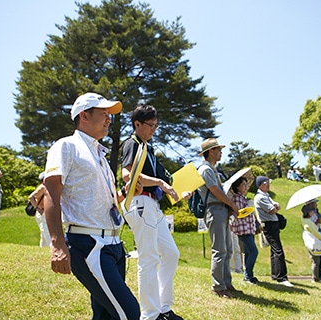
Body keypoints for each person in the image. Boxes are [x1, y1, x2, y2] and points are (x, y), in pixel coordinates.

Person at [41, 93, 139, 319]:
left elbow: (104, 199)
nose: (109, 119)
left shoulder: (100, 154)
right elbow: (51, 193)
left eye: (109, 115)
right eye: (103, 113)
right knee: (130, 313)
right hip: (89, 245)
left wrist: (126, 191)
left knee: (105, 315)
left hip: (114, 244)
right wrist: (57, 245)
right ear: (84, 115)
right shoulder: (66, 146)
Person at [116, 105, 183, 320]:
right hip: (140, 202)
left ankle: (163, 308)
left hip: (153, 205)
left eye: (156, 125)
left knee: (171, 253)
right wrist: (161, 183)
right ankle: (150, 315)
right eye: (150, 125)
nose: (154, 129)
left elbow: (169, 180)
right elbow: (128, 174)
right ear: (137, 124)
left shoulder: (149, 149)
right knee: (148, 258)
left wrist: (180, 191)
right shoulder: (131, 143)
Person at [196, 138, 241, 298]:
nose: (221, 152)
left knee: (227, 249)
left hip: (220, 210)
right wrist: (232, 205)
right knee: (219, 250)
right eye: (218, 149)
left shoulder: (213, 169)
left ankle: (226, 283)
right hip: (214, 209)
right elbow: (215, 190)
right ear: (211, 152)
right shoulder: (205, 169)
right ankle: (218, 286)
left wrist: (228, 207)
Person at [253, 176, 290, 286]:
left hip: (272, 224)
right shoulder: (260, 197)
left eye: (269, 182)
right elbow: (273, 210)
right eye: (266, 183)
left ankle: (276, 275)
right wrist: (275, 207)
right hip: (269, 225)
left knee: (274, 251)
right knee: (278, 250)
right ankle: (281, 278)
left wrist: (276, 206)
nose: (268, 184)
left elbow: (277, 205)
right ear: (260, 185)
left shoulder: (266, 195)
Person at [228, 174, 260, 285]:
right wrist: (249, 207)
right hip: (243, 229)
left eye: (246, 185)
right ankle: (248, 275)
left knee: (247, 252)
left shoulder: (242, 197)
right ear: (237, 186)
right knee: (253, 251)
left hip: (248, 228)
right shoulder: (237, 198)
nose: (246, 187)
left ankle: (249, 275)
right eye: (243, 185)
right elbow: (239, 213)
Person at [301, 200, 321, 283]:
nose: (316, 204)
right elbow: (313, 229)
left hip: (319, 237)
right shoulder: (306, 219)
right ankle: (316, 277)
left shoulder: (316, 212)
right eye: (314, 203)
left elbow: (318, 224)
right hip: (314, 239)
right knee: (316, 260)